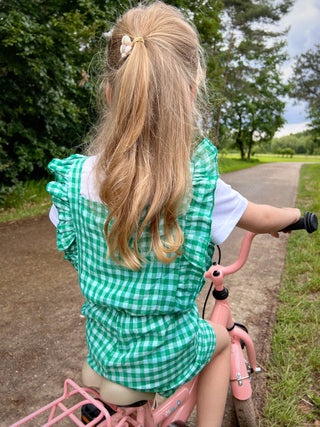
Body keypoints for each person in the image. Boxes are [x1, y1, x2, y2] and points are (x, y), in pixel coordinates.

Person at [47, 2, 300, 426]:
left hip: (104, 351)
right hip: (160, 357)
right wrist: (294, 214)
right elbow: (261, 216)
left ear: (110, 94)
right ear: (188, 94)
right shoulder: (197, 185)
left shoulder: (74, 182)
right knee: (220, 343)